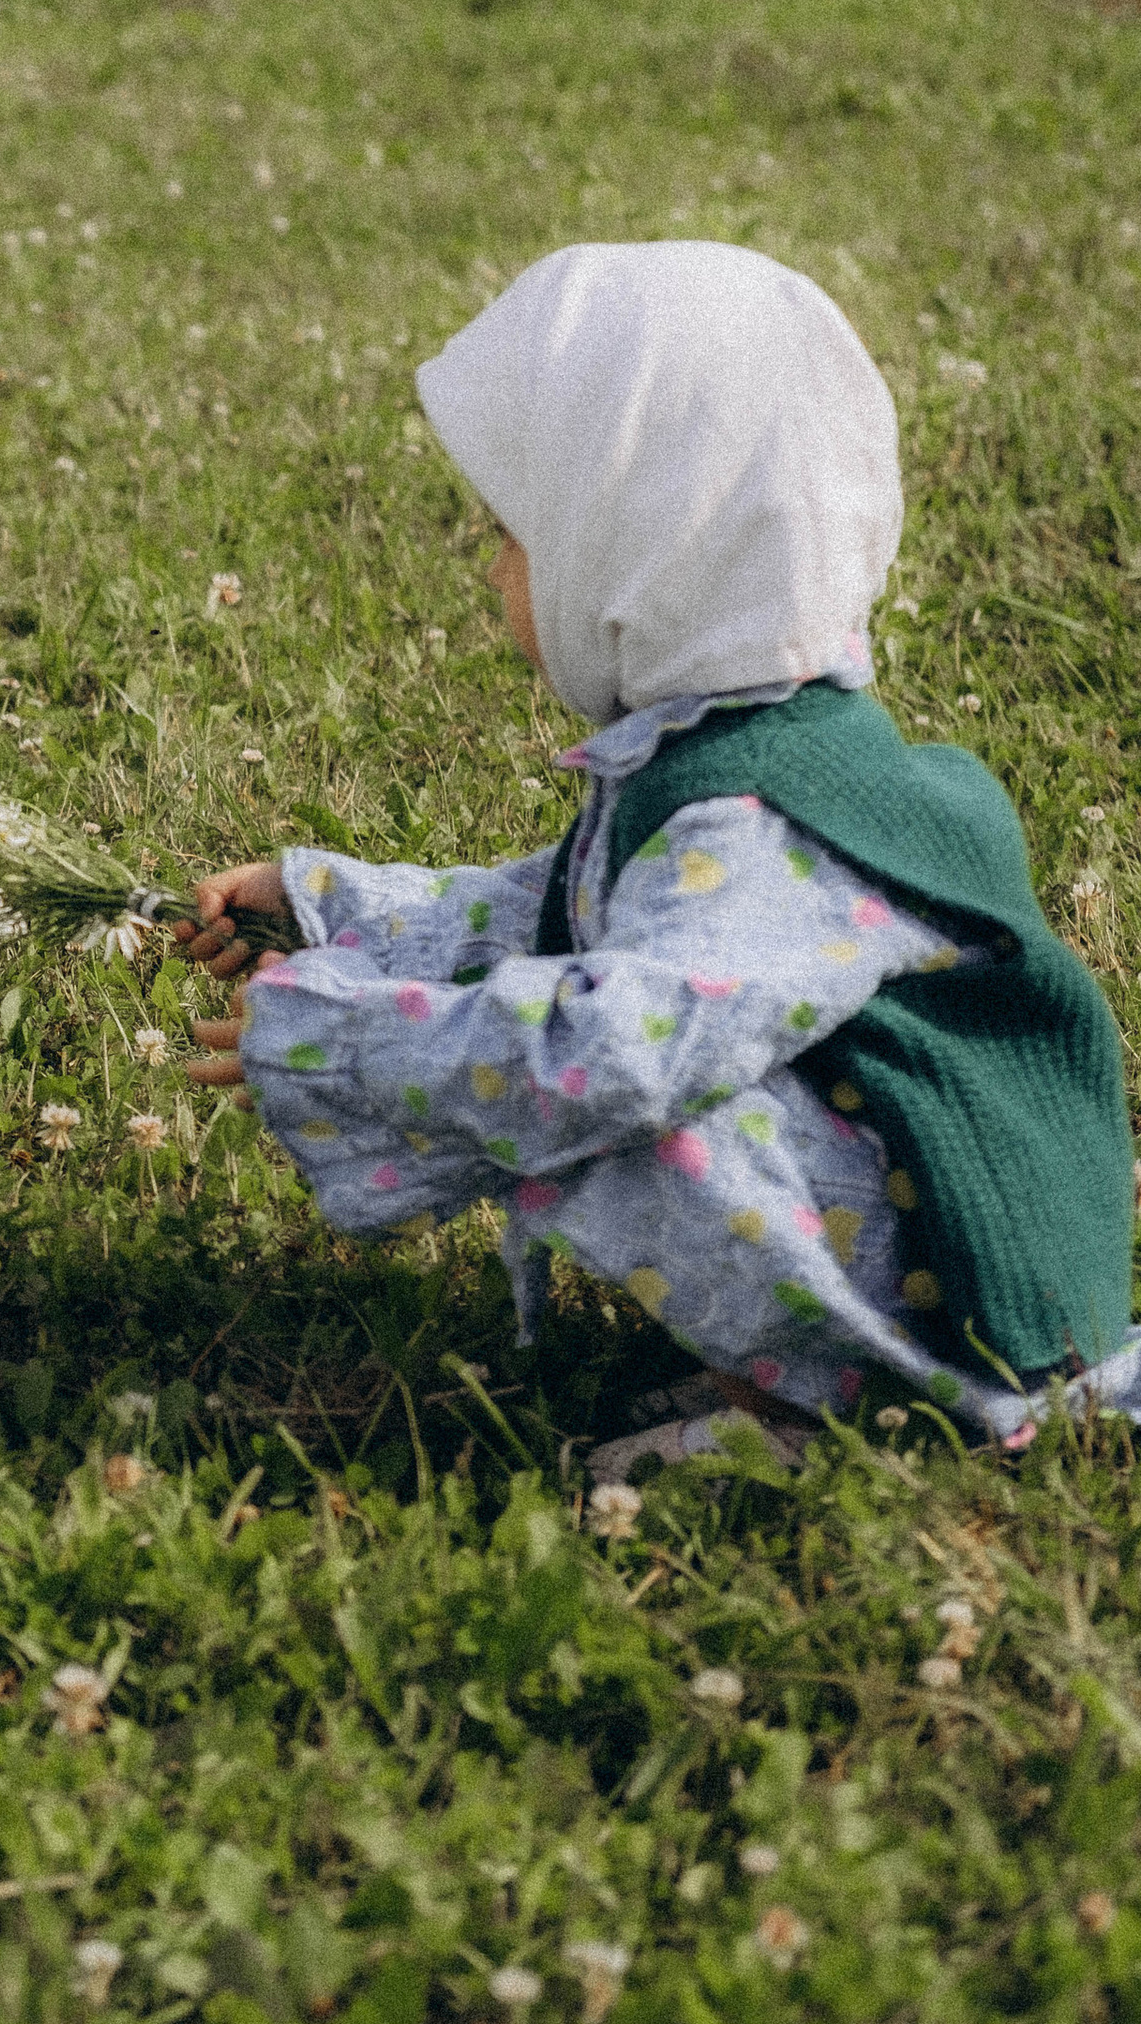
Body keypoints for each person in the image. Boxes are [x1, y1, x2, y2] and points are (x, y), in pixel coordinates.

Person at [178, 241, 1139, 1462]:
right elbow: (558, 908)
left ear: (639, 550)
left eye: (515, 535)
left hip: (965, 1287)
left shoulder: (761, 819)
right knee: (611, 1052)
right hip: (910, 1211)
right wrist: (329, 906)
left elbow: (614, 1053)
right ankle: (799, 1373)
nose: (494, 571)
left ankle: (848, 1411)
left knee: (630, 1109)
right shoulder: (742, 746)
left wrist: (352, 1044)